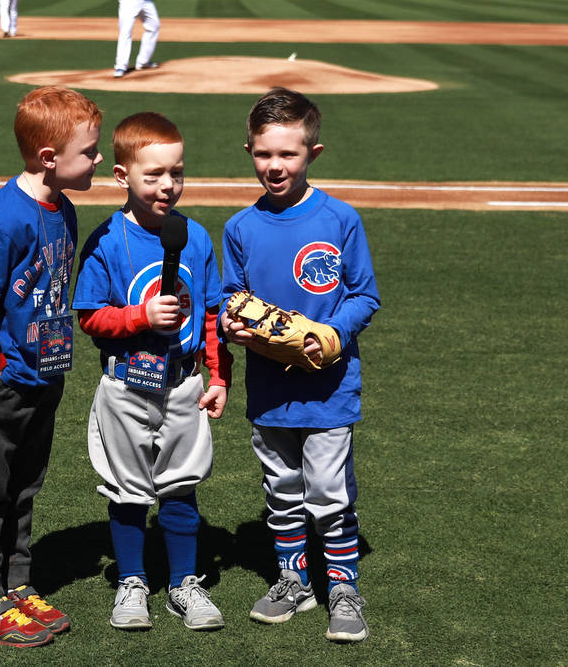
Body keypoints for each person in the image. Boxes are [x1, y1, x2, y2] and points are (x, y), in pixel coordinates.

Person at [220, 87, 381, 643]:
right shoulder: (240, 227)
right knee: (282, 489)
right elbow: (231, 297)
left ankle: (342, 586)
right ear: (249, 151)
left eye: (288, 154)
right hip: (269, 390)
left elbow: (364, 295)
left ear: (314, 152)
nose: (275, 165)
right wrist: (231, 324)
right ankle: (293, 579)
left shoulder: (340, 218)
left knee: (329, 492)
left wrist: (335, 334)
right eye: (264, 154)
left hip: (331, 388)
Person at [0, 85, 104, 648]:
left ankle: (15, 586)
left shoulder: (62, 208)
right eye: (89, 152)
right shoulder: (1, 220)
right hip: (5, 381)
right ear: (49, 158)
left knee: (24, 486)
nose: (99, 159)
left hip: (46, 373)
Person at [72, 111, 231, 632]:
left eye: (176, 173)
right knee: (127, 490)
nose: (168, 185)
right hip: (125, 387)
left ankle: (185, 583)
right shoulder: (107, 240)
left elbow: (210, 314)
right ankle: (133, 581)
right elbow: (90, 316)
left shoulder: (196, 237)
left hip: (183, 384)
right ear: (123, 177)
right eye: (153, 175)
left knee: (182, 487)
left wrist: (218, 375)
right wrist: (141, 316)